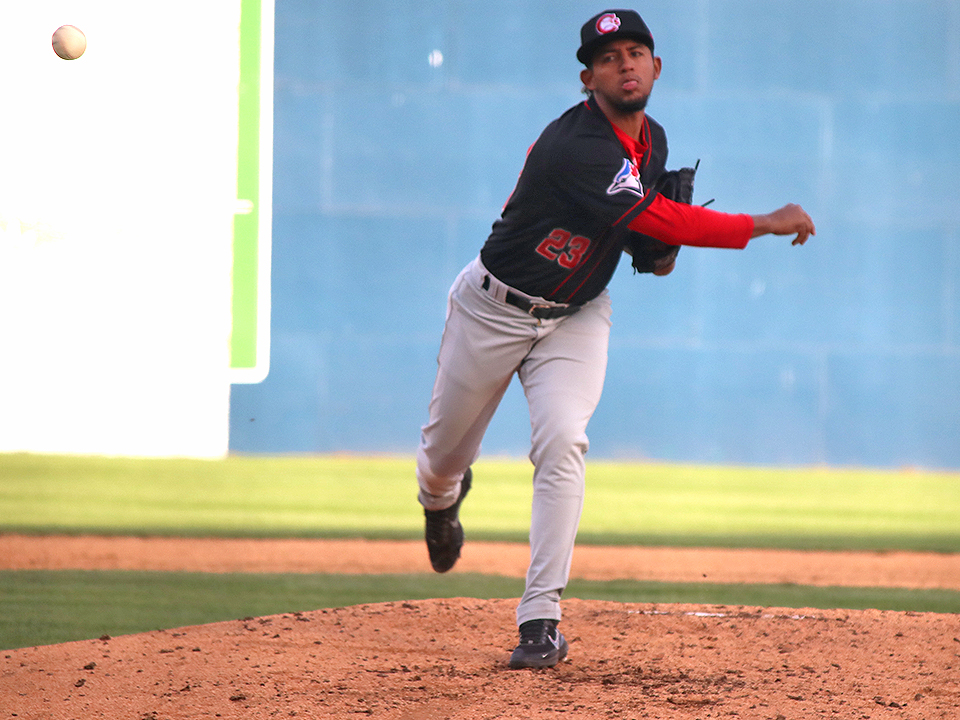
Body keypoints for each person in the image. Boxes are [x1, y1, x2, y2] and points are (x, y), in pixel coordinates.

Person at [415, 9, 816, 669]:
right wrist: (762, 223)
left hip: (574, 314)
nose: (625, 63)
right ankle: (439, 499)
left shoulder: (651, 141)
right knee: (442, 456)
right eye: (608, 58)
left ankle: (540, 618)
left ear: (656, 66)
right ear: (587, 78)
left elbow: (648, 246)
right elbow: (658, 215)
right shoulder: (577, 145)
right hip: (493, 309)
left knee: (564, 441)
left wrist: (660, 254)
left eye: (636, 51)